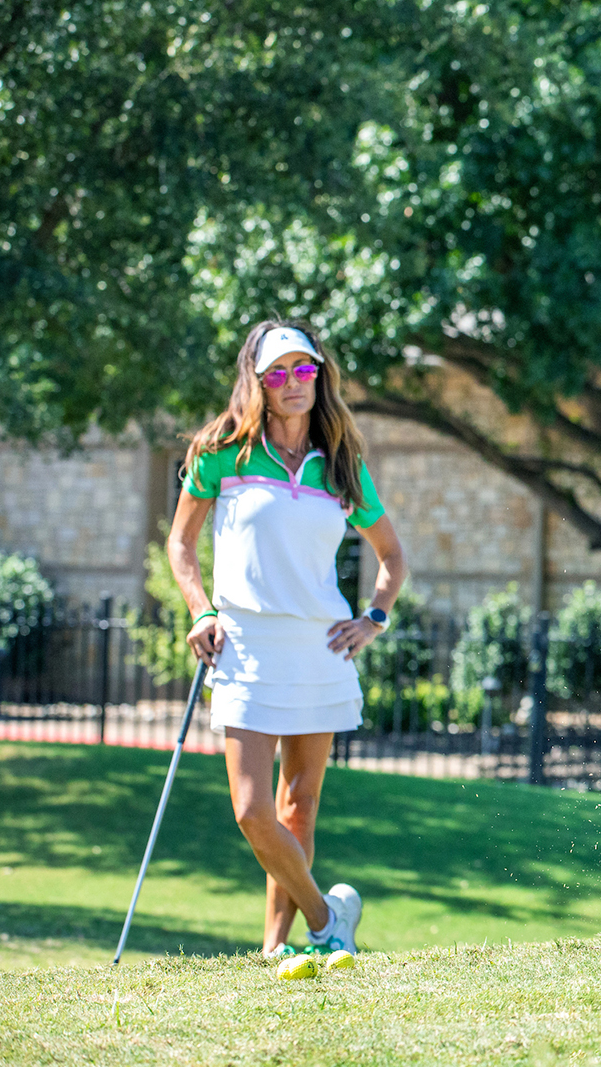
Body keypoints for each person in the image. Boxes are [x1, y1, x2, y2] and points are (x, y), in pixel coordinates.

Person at [165, 320, 409, 958]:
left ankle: (276, 948)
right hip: (246, 646)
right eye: (277, 372)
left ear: (319, 377)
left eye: (304, 369)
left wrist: (373, 618)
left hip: (321, 650)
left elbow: (391, 557)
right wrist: (199, 610)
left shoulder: (342, 466)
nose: (293, 381)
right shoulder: (221, 452)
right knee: (252, 811)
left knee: (299, 807)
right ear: (258, 383)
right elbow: (180, 543)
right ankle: (328, 920)